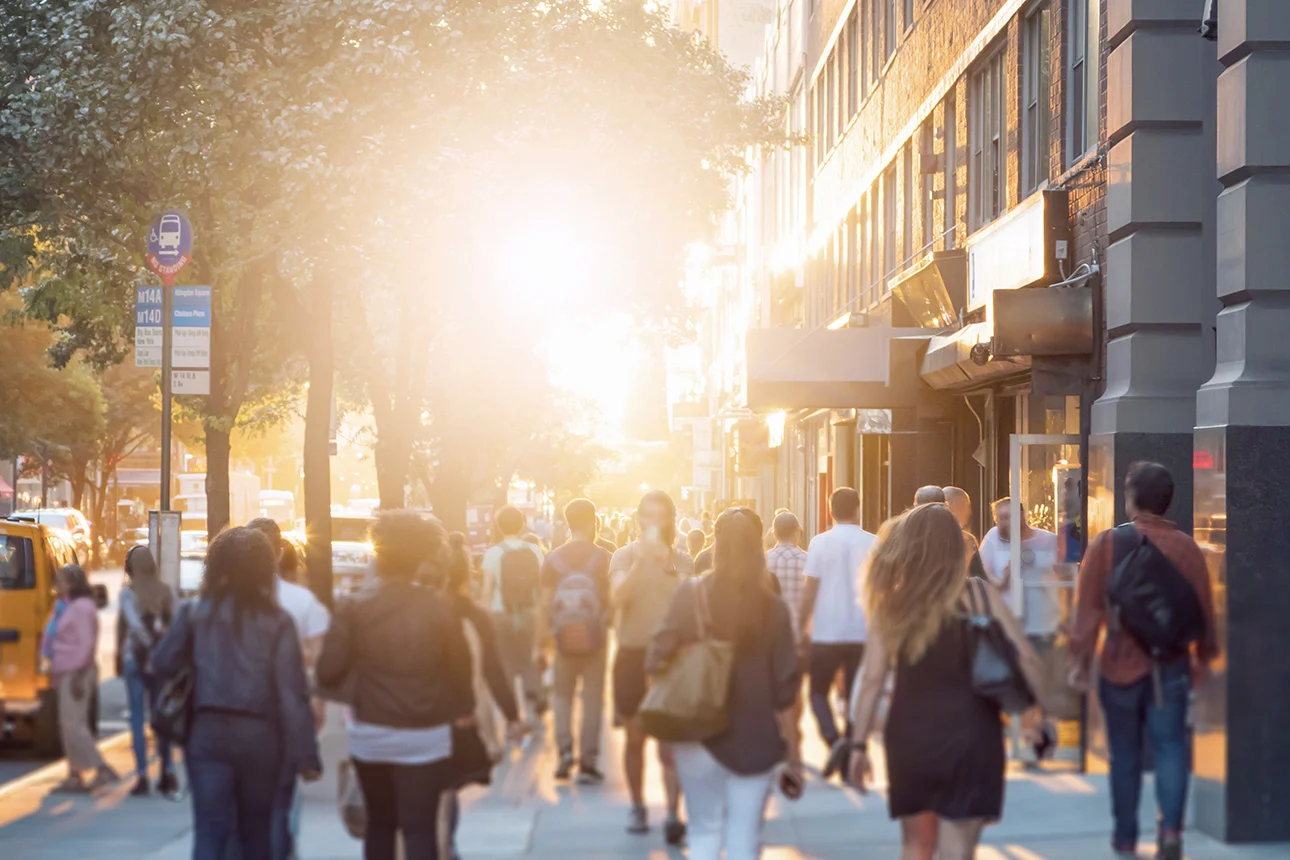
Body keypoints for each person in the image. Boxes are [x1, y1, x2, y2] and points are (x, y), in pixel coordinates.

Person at [845, 504, 1046, 860]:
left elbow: (872, 678)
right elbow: (1025, 656)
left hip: (911, 737)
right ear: (956, 548)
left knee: (916, 845)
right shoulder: (979, 594)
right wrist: (1037, 714)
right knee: (959, 848)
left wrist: (858, 746)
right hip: (973, 736)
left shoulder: (893, 603)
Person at [1068, 462, 1217, 860]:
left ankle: (1126, 837)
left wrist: (1079, 659)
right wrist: (1202, 657)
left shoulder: (1107, 544)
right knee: (1171, 748)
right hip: (1169, 665)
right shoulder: (1186, 547)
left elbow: (1086, 609)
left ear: (1131, 497)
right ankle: (1170, 833)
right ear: (1168, 501)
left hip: (1118, 663)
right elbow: (1202, 610)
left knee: (1125, 753)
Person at [152, 528, 320, 860]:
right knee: (256, 832)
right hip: (261, 737)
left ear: (216, 566)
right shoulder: (278, 621)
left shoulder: (195, 613)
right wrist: (306, 755)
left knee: (210, 830)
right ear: (264, 568)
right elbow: (292, 694)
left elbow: (162, 662)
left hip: (207, 732)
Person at [317, 510, 474, 860]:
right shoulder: (440, 607)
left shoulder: (354, 607)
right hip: (427, 733)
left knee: (380, 824)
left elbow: (328, 671)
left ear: (379, 555)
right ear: (420, 558)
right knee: (420, 826)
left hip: (371, 731)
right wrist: (463, 710)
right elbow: (461, 670)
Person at [648, 508, 801, 860]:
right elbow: (785, 691)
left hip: (695, 734)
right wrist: (792, 755)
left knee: (703, 830)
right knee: (744, 835)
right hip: (755, 738)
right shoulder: (773, 608)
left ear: (716, 545)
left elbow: (656, 659)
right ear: (759, 546)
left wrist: (665, 734)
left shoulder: (690, 595)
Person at [434, 532, 523, 860]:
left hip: (414, 713)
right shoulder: (473, 615)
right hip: (459, 713)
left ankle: (437, 845)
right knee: (448, 786)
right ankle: (447, 845)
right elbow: (494, 671)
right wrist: (512, 715)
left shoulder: (419, 611)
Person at [611, 490, 693, 842]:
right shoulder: (622, 557)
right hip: (631, 655)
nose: (654, 523)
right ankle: (638, 804)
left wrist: (663, 564)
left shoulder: (682, 560)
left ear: (670, 520)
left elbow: (688, 608)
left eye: (661, 516)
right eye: (648, 515)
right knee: (634, 738)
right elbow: (618, 597)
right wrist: (642, 562)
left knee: (671, 740)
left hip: (671, 659)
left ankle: (674, 812)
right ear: (639, 519)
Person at [247, 517, 331, 860]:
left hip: (239, 713)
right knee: (284, 801)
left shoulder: (224, 600)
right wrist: (318, 703)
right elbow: (320, 661)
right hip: (287, 711)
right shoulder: (302, 601)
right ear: (280, 552)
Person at [796, 488, 876, 777]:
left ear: (830, 510)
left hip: (826, 631)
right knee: (856, 694)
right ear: (858, 508)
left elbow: (810, 590)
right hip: (861, 630)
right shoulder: (874, 543)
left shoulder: (819, 543)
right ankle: (854, 750)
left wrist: (800, 625)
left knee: (818, 692)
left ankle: (834, 740)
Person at [540, 498, 612, 784]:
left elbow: (545, 604)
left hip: (562, 638)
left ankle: (565, 753)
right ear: (593, 521)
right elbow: (612, 599)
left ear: (567, 522)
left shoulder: (553, 559)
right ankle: (588, 761)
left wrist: (543, 641)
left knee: (562, 696)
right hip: (595, 639)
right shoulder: (604, 557)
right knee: (593, 698)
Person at [49, 563, 118, 792]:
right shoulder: (73, 606)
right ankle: (75, 774)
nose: (57, 585)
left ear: (71, 583)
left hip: (76, 671)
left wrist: (78, 673)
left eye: (61, 580)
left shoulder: (81, 608)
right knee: (68, 725)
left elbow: (86, 644)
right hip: (68, 670)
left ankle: (100, 768)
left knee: (73, 725)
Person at [119, 546, 177, 797]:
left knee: (137, 718)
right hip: (160, 662)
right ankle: (167, 770)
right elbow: (175, 625)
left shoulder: (128, 594)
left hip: (135, 660)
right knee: (161, 717)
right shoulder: (165, 591)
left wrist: (145, 644)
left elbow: (132, 624)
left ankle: (142, 775)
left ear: (129, 568)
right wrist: (159, 649)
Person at [480, 506, 547, 722]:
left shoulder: (493, 553)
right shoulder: (535, 551)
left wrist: (483, 616)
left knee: (507, 662)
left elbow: (487, 590)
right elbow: (544, 585)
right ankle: (535, 696)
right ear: (521, 525)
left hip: (502, 614)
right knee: (528, 659)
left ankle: (512, 714)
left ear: (499, 526)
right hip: (530, 611)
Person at [978, 499, 1060, 653]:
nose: (1005, 522)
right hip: (1006, 623)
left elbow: (1065, 576)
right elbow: (983, 573)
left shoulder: (1048, 540)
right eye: (1000, 518)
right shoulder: (993, 538)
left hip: (1041, 623)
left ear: (1022, 515)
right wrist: (1002, 580)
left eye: (1009, 517)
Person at [764, 511, 808, 760]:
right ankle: (794, 726)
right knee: (796, 684)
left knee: (772, 681)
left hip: (771, 633)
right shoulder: (807, 560)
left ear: (774, 533)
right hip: (798, 632)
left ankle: (779, 727)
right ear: (797, 531)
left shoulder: (764, 560)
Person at [943, 486, 989, 581]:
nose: (969, 512)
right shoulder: (966, 539)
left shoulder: (922, 537)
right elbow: (978, 576)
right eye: (967, 506)